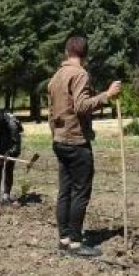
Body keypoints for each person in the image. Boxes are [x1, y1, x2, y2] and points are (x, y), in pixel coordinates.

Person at [47, 35, 122, 257]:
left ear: (66, 52)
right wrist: (107, 95)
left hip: (60, 140)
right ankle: (76, 243)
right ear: (85, 54)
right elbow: (81, 106)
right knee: (80, 191)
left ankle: (64, 239)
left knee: (65, 191)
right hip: (76, 141)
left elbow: (52, 111)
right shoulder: (79, 74)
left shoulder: (56, 76)